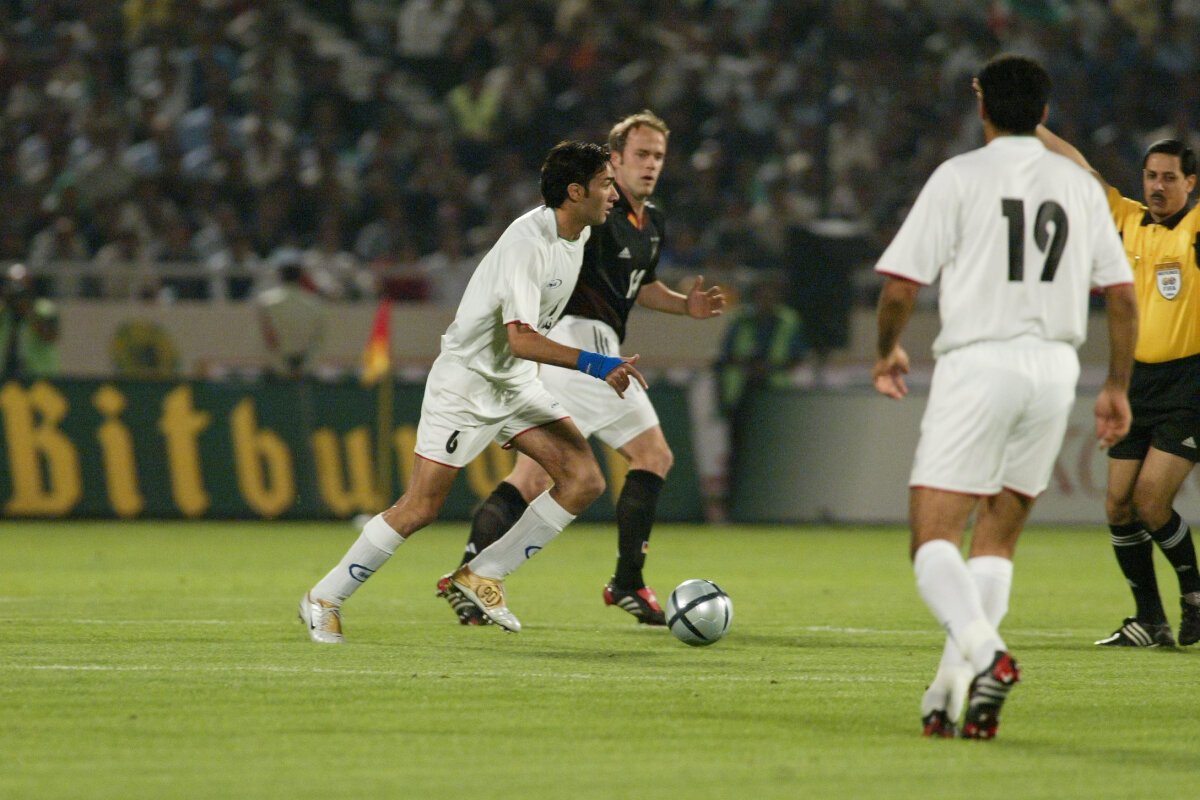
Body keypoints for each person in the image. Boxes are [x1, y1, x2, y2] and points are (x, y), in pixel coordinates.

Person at [872, 54, 1137, 740]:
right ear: (1045, 112)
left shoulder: (960, 176)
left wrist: (887, 350)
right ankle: (949, 692)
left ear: (980, 104)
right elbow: (1122, 295)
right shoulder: (1079, 186)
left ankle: (989, 657)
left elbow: (900, 287)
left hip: (979, 363)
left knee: (933, 538)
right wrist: (1115, 385)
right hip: (1054, 370)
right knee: (997, 538)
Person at [299, 140, 637, 642]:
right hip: (468, 384)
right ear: (574, 191)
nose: (614, 193)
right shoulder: (527, 244)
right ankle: (324, 597)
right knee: (420, 508)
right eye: (606, 184)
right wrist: (596, 363)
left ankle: (483, 575)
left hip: (514, 383)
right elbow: (522, 339)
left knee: (583, 479)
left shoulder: (579, 234)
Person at [439, 111, 726, 627]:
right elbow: (548, 237)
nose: (651, 164)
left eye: (658, 156)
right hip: (576, 343)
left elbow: (642, 286)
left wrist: (686, 306)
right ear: (614, 159)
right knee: (547, 475)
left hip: (606, 345)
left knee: (647, 457)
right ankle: (479, 576)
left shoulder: (651, 222)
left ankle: (621, 582)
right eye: (641, 154)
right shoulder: (597, 213)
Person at [1036, 128, 1200, 648]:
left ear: (1190, 183)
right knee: (1118, 506)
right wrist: (1029, 122)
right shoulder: (1127, 219)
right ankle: (1149, 620)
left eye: (1169, 178)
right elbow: (1080, 169)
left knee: (1151, 500)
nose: (1158, 186)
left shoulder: (1196, 226)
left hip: (1190, 382)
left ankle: (1194, 596)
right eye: (1151, 177)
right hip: (1137, 382)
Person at [255, 255, 328, 378]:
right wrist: (305, 367)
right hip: (304, 370)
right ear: (301, 277)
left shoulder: (265, 302)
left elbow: (268, 339)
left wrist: (282, 368)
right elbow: (317, 341)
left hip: (275, 371)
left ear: (280, 275)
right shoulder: (314, 303)